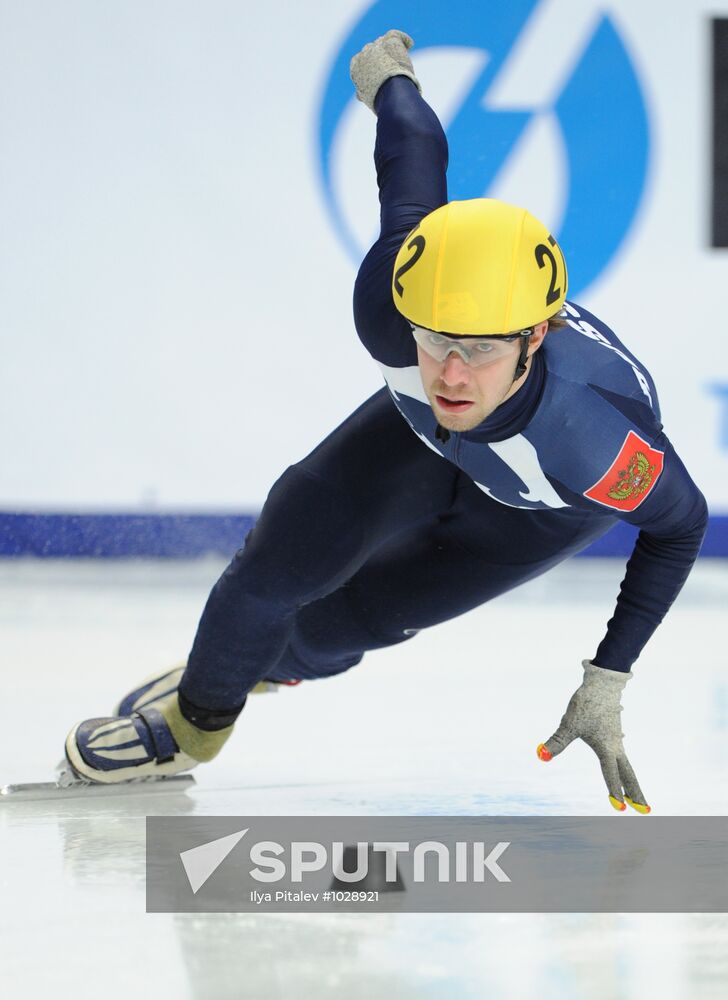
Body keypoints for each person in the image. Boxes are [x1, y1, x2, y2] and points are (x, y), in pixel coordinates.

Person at [65, 31, 707, 812]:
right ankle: (195, 720)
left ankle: (264, 662)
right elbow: (411, 156)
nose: (451, 373)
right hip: (420, 443)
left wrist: (608, 676)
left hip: (535, 511)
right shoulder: (391, 310)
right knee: (279, 558)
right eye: (435, 339)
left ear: (536, 336)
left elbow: (681, 524)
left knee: (346, 624)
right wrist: (390, 75)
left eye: (477, 347)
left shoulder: (594, 442)